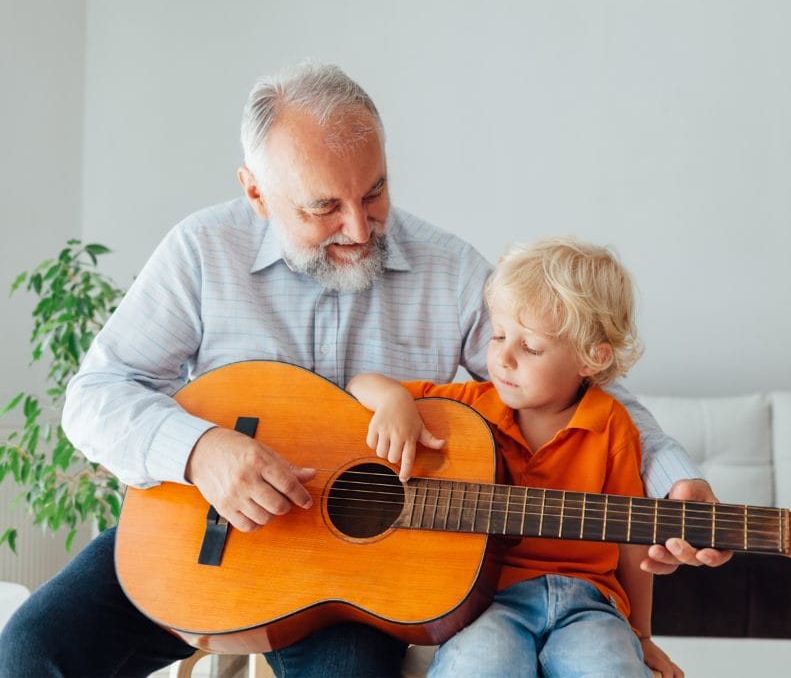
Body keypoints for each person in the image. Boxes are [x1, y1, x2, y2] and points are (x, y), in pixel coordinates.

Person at [0, 61, 726, 678]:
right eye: (325, 206)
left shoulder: (449, 270)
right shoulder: (200, 251)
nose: (359, 226)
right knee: (30, 650)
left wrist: (674, 483)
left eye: (374, 191)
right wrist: (199, 450)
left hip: (349, 580)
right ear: (256, 192)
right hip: (199, 544)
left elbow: (585, 394)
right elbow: (93, 396)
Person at [349, 236, 684, 677]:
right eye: (499, 335)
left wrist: (641, 636)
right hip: (488, 600)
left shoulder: (612, 423)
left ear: (591, 358)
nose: (502, 358)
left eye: (530, 347)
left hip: (590, 602)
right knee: (474, 667)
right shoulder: (466, 408)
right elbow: (359, 385)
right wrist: (393, 400)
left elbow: (631, 539)